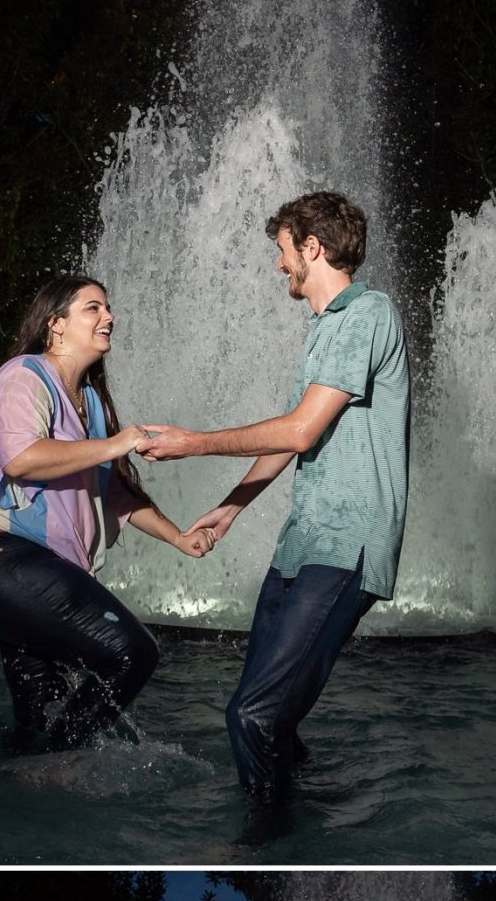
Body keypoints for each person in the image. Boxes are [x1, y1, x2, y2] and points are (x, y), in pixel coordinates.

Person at [141, 191, 410, 801]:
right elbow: (296, 433)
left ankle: (266, 847)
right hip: (304, 545)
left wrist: (192, 443)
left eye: (283, 251)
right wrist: (234, 507)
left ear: (311, 248)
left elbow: (299, 429)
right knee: (272, 719)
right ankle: (308, 813)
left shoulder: (367, 315)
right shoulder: (327, 328)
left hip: (347, 545)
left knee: (252, 715)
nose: (279, 265)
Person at [0, 275, 217, 750]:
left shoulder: (89, 402)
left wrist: (179, 538)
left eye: (108, 308)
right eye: (93, 308)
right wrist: (115, 444)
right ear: (55, 325)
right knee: (131, 654)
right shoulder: (23, 375)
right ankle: (63, 759)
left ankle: (28, 779)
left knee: (39, 713)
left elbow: (113, 495)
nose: (108, 317)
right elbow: (20, 457)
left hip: (21, 573)